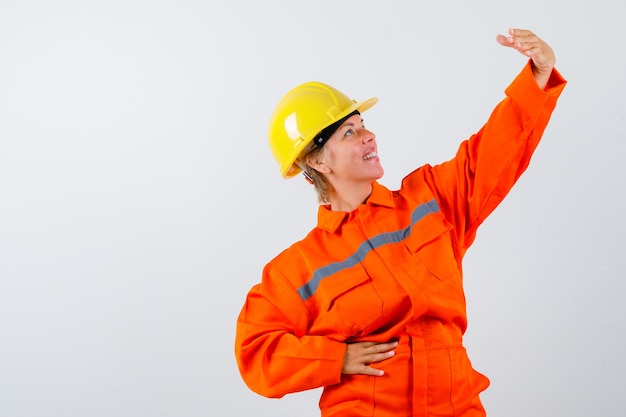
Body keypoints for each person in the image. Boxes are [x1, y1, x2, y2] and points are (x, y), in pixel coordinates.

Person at [235, 28, 567, 416]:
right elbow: (256, 352)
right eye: (350, 132)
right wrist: (333, 359)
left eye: (363, 124)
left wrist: (538, 75)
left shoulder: (429, 200)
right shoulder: (297, 271)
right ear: (317, 161)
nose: (369, 136)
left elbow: (492, 154)